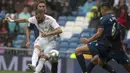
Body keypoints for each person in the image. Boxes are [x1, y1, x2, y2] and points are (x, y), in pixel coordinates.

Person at [5, 8, 62, 73]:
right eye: (36, 18)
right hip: (42, 38)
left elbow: (60, 30)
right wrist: (12, 20)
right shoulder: (35, 19)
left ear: (43, 15)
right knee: (36, 49)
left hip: (51, 41)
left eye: (39, 18)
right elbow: (24, 20)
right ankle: (33, 65)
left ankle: (36, 71)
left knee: (42, 58)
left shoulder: (50, 20)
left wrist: (48, 34)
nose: (37, 20)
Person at [26, 1, 59, 73]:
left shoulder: (50, 18)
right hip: (39, 42)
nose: (42, 8)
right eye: (40, 7)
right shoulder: (34, 18)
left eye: (43, 6)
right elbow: (28, 28)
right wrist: (28, 40)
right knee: (40, 61)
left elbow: (58, 30)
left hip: (49, 42)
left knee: (53, 60)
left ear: (46, 8)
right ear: (37, 8)